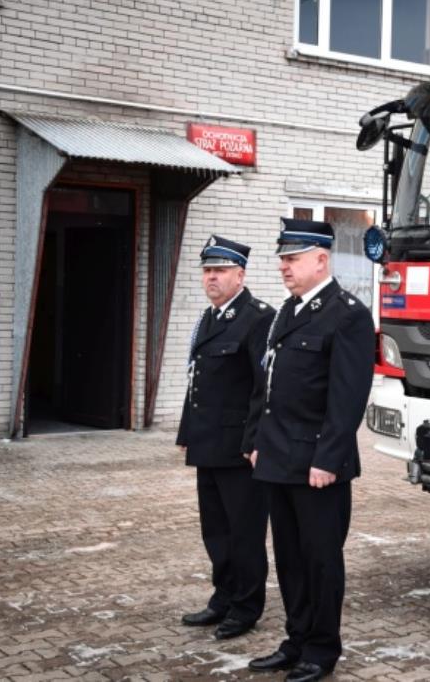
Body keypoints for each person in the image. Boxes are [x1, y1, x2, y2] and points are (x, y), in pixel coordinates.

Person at [246, 218, 375, 681]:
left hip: (318, 465)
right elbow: (266, 384)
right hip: (278, 458)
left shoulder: (348, 315)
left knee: (320, 561)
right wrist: (255, 441)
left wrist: (328, 459)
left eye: (293, 258)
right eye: (282, 258)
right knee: (290, 559)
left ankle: (321, 650)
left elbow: (347, 398)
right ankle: (296, 640)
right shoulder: (288, 310)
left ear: (321, 259)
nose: (284, 266)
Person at [176, 234, 274, 640]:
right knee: (215, 530)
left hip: (239, 449)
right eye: (207, 271)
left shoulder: (257, 318)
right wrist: (187, 431)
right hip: (208, 443)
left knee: (244, 533)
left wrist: (255, 442)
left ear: (240, 275)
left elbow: (264, 388)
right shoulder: (209, 318)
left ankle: (246, 607)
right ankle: (223, 597)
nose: (211, 278)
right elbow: (197, 380)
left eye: (219, 270)